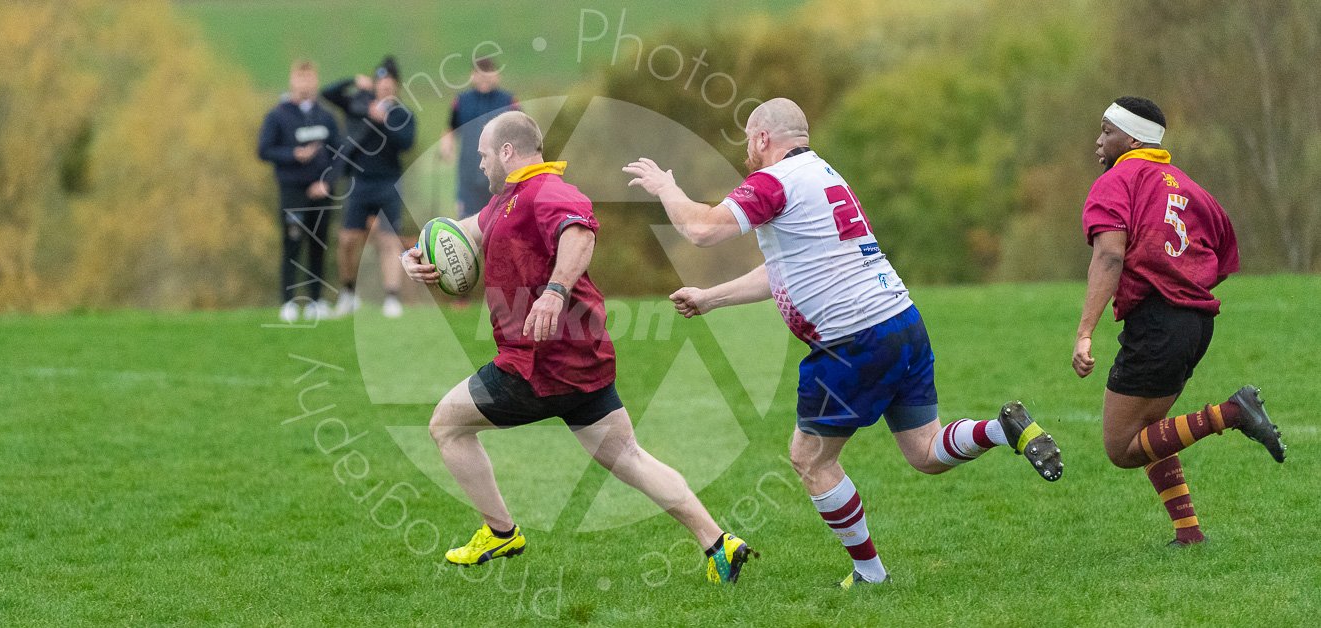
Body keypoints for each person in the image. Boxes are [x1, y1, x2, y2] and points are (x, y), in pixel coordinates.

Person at [623, 98, 1061, 590]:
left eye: (749, 140)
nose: (747, 152)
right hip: (901, 321)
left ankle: (870, 575)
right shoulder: (825, 175)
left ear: (763, 138)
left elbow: (701, 229)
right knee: (925, 452)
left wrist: (666, 188)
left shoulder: (774, 181)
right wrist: (711, 298)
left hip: (852, 340)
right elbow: (785, 270)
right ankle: (1003, 430)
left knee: (810, 459)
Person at [401, 111, 755, 583]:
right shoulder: (510, 199)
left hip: (536, 364)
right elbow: (468, 230)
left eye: (484, 155)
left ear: (507, 152)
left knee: (446, 426)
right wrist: (417, 254)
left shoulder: (546, 191)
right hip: (582, 361)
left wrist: (554, 291)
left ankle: (500, 531)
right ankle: (719, 543)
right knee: (629, 457)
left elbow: (579, 232)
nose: (480, 164)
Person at [1074, 96, 1285, 546]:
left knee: (1121, 447)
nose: (1098, 141)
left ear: (1133, 140)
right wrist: (1184, 289)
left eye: (1107, 131)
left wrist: (1085, 331)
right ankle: (1188, 533)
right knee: (1151, 430)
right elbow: (1223, 257)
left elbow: (1109, 256)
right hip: (1196, 323)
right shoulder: (1191, 187)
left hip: (1158, 322)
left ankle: (1232, 413)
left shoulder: (1116, 182)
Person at [322, 56, 416, 318]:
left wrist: (384, 120)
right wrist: (353, 81)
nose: (384, 86)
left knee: (388, 241)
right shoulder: (359, 105)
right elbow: (328, 94)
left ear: (396, 85)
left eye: (389, 82)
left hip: (388, 183)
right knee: (347, 240)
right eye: (380, 81)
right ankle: (348, 293)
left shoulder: (402, 114)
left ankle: (392, 298)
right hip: (359, 182)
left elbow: (406, 143)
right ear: (374, 84)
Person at [257, 60, 342, 322]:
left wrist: (327, 182)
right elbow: (264, 150)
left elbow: (340, 155)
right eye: (300, 77)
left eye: (309, 77)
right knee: (292, 243)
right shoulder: (278, 116)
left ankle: (316, 301)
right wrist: (294, 154)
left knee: (318, 245)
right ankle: (289, 302)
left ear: (315, 80)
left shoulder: (326, 117)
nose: (305, 82)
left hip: (321, 192)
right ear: (292, 80)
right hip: (293, 191)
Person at [440, 57, 518, 219]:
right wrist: (447, 146)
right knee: (467, 223)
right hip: (468, 177)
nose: (484, 78)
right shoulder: (462, 101)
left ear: (496, 75)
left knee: (499, 222)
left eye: (488, 73)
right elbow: (450, 128)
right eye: (479, 74)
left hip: (500, 177)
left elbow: (521, 132)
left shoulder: (508, 101)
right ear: (472, 75)